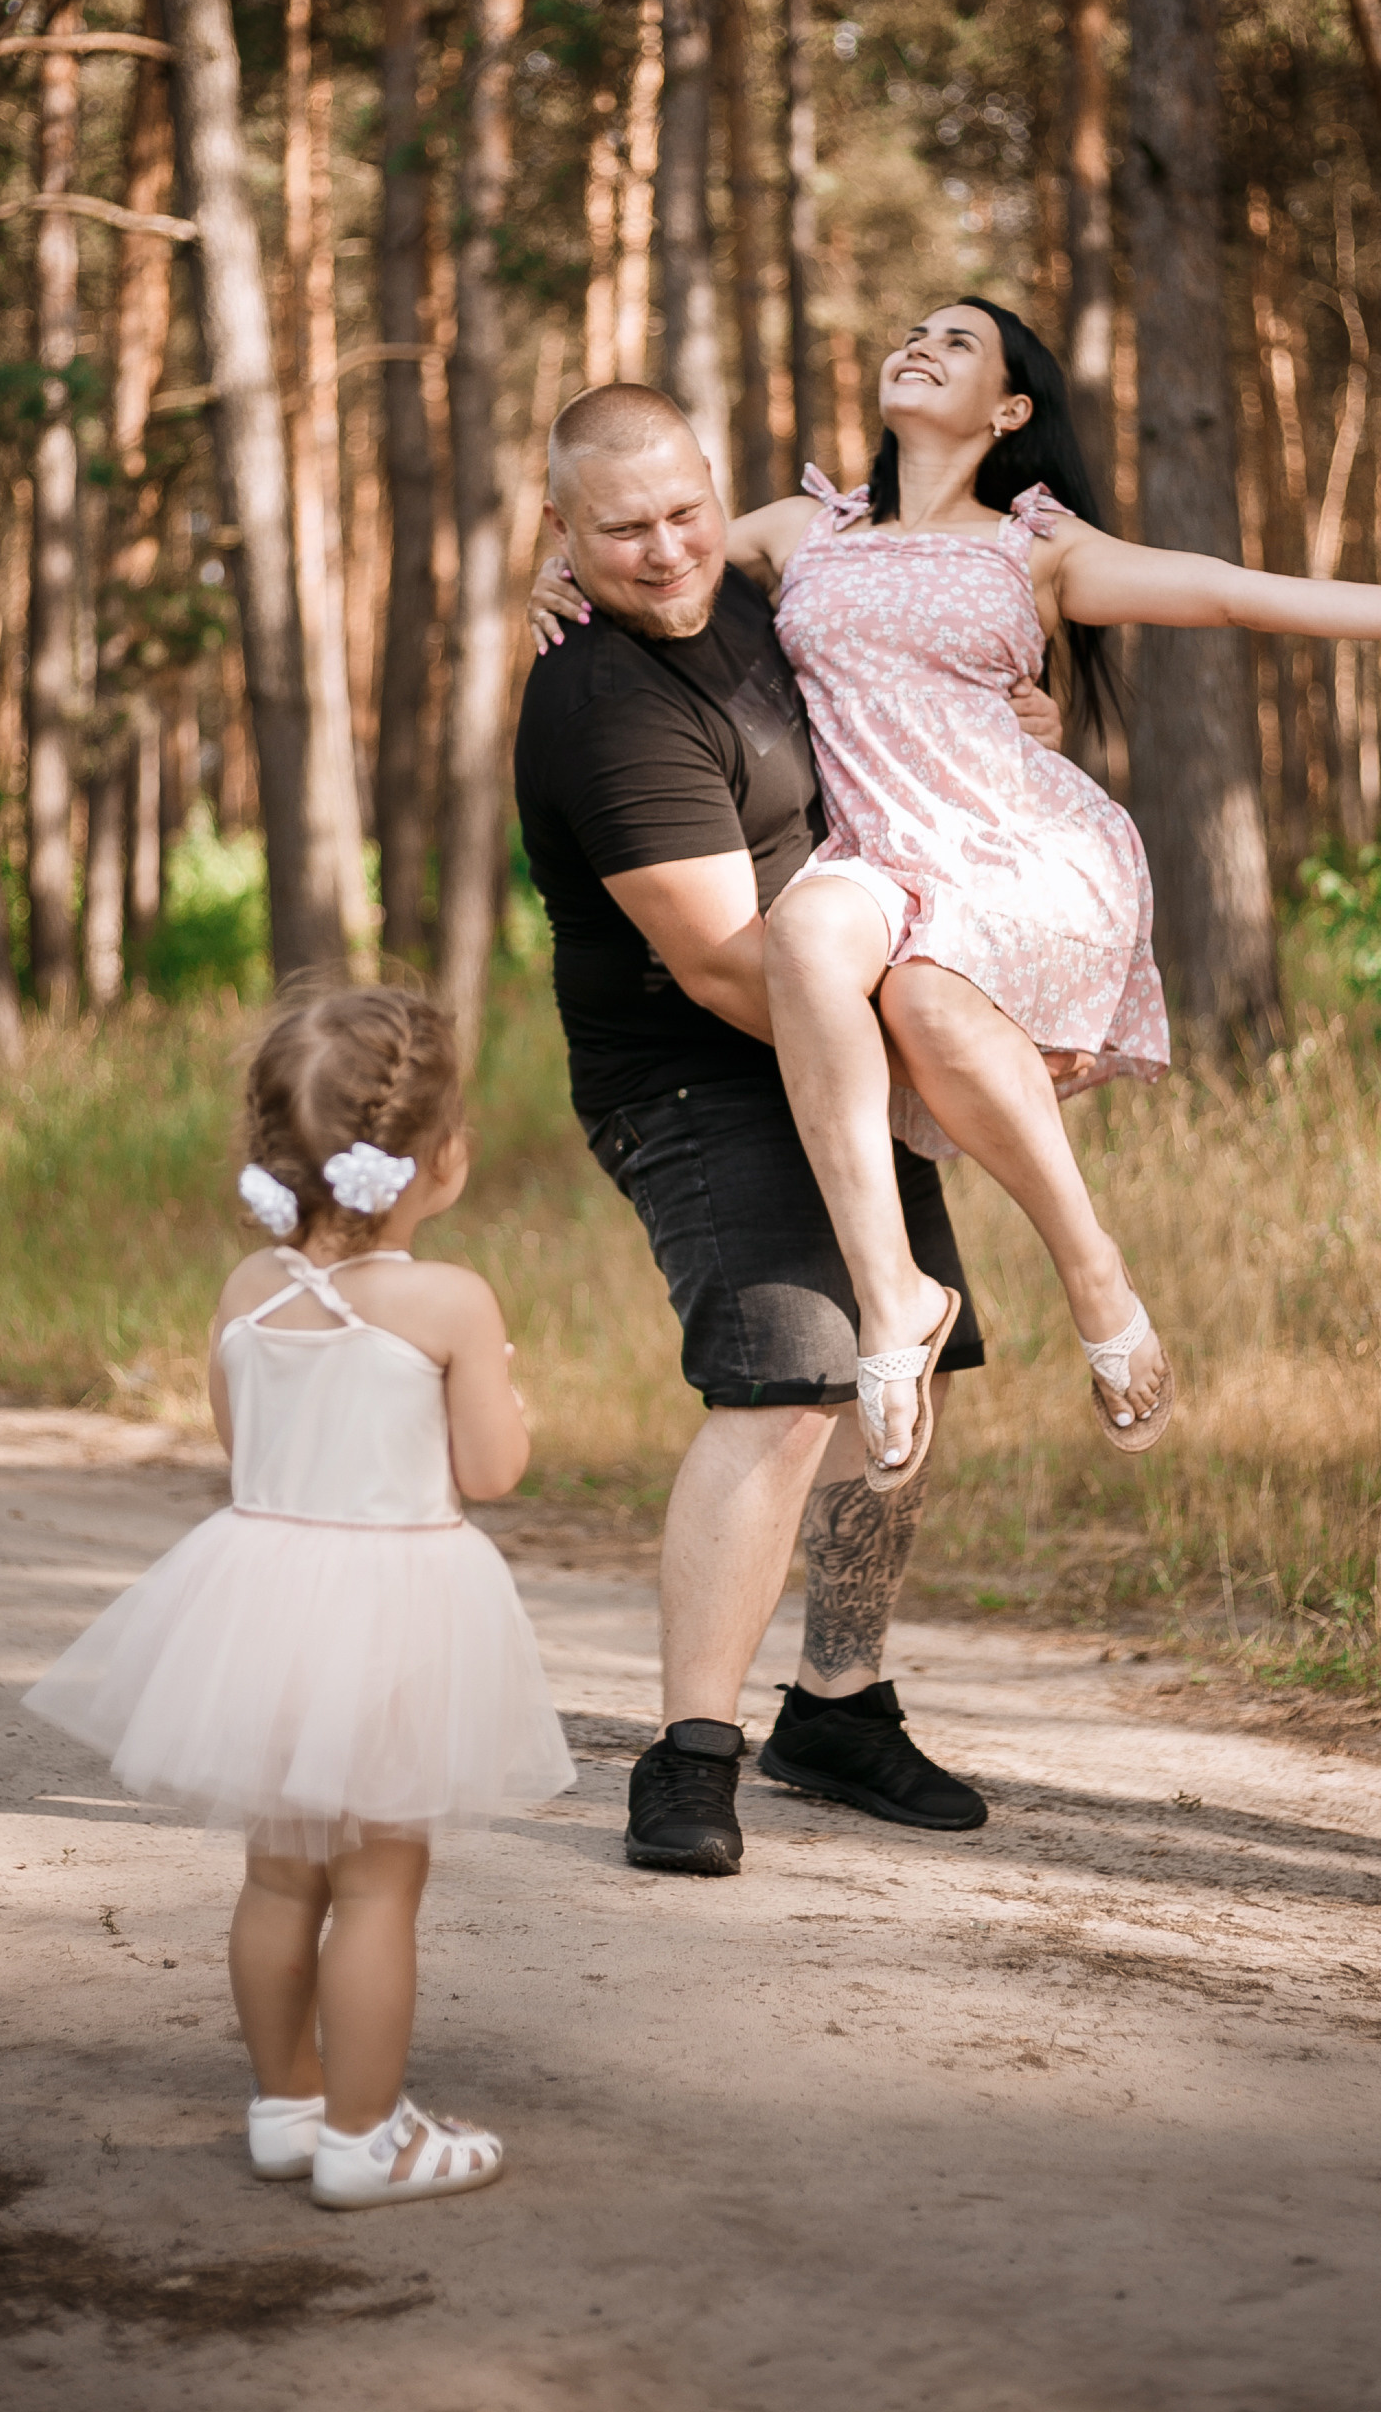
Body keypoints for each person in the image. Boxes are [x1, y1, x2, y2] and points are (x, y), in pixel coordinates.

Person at [544, 298, 1381, 1488]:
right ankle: (892, 1300)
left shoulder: (1035, 549)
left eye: (960, 342)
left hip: (1019, 846)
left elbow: (1228, 591)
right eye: (914, 329)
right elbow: (647, 533)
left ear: (1009, 411)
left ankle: (1092, 1274)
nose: (921, 342)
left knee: (922, 1002)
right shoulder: (802, 528)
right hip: (880, 855)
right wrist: (542, 577)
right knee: (804, 936)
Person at [516, 385, 1065, 1879]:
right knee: (788, 1381)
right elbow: (713, 962)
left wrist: (1016, 712)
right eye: (618, 530)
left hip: (846, 1034)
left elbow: (900, 698)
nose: (663, 550)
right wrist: (942, 1045)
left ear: (719, 489)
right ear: (560, 532)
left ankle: (838, 1701)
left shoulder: (769, 585)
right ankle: (691, 1753)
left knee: (905, 1355)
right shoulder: (599, 699)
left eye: (684, 511)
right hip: (697, 1074)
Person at [24, 985, 573, 2212]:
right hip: (391, 1613)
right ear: (437, 1160)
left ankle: (287, 2105)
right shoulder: (447, 1303)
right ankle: (366, 2140)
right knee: (381, 1882)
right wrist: (506, 1405)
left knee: (280, 1878)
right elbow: (490, 1472)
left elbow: (244, 1451)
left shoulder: (244, 1290)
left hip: (260, 1605)